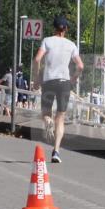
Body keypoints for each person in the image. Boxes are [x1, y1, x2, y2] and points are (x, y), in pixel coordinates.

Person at [33, 16, 84, 163]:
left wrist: (37, 78)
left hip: (49, 81)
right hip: (64, 83)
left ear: (54, 28)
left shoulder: (47, 41)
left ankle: (48, 120)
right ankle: (56, 151)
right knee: (60, 118)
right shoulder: (71, 45)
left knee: (46, 113)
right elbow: (80, 66)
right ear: (66, 29)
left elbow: (37, 59)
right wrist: (73, 78)